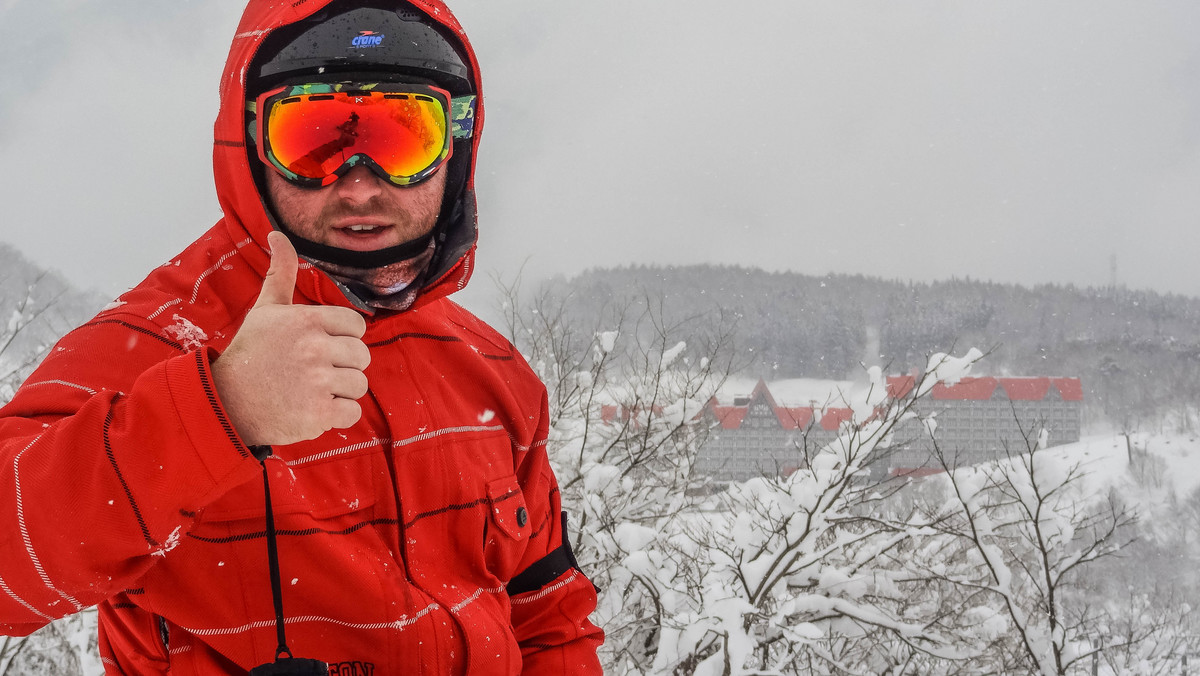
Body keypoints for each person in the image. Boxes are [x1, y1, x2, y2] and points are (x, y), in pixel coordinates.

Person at [0, 0, 604, 673]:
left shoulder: (491, 369)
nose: (359, 186)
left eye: (404, 138)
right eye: (315, 140)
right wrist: (218, 410)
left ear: (456, 146)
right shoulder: (159, 339)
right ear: (252, 144)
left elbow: (548, 614)